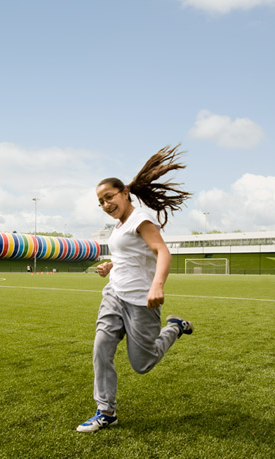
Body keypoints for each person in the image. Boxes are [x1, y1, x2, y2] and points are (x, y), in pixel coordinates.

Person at [76, 145, 194, 433]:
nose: (106, 204)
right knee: (101, 348)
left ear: (125, 193)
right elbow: (127, 256)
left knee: (142, 363)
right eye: (100, 202)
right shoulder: (118, 226)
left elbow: (162, 251)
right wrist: (110, 266)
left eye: (109, 197)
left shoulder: (141, 219)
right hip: (114, 295)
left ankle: (174, 327)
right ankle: (106, 412)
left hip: (141, 301)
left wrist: (157, 285)